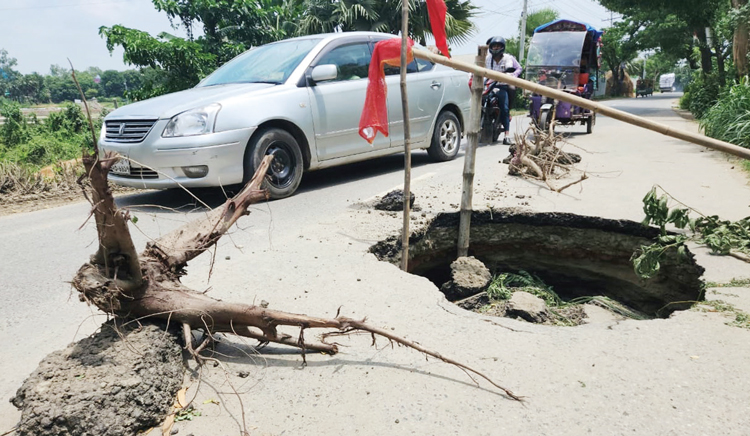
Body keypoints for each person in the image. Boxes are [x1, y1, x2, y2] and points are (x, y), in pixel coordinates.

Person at [485, 36, 522, 145]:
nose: (496, 48)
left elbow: (518, 68)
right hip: (490, 85)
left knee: (505, 109)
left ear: (502, 47)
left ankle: (507, 135)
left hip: (502, 85)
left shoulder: (508, 58)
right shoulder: (487, 59)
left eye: (498, 46)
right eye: (494, 46)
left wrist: (513, 75)